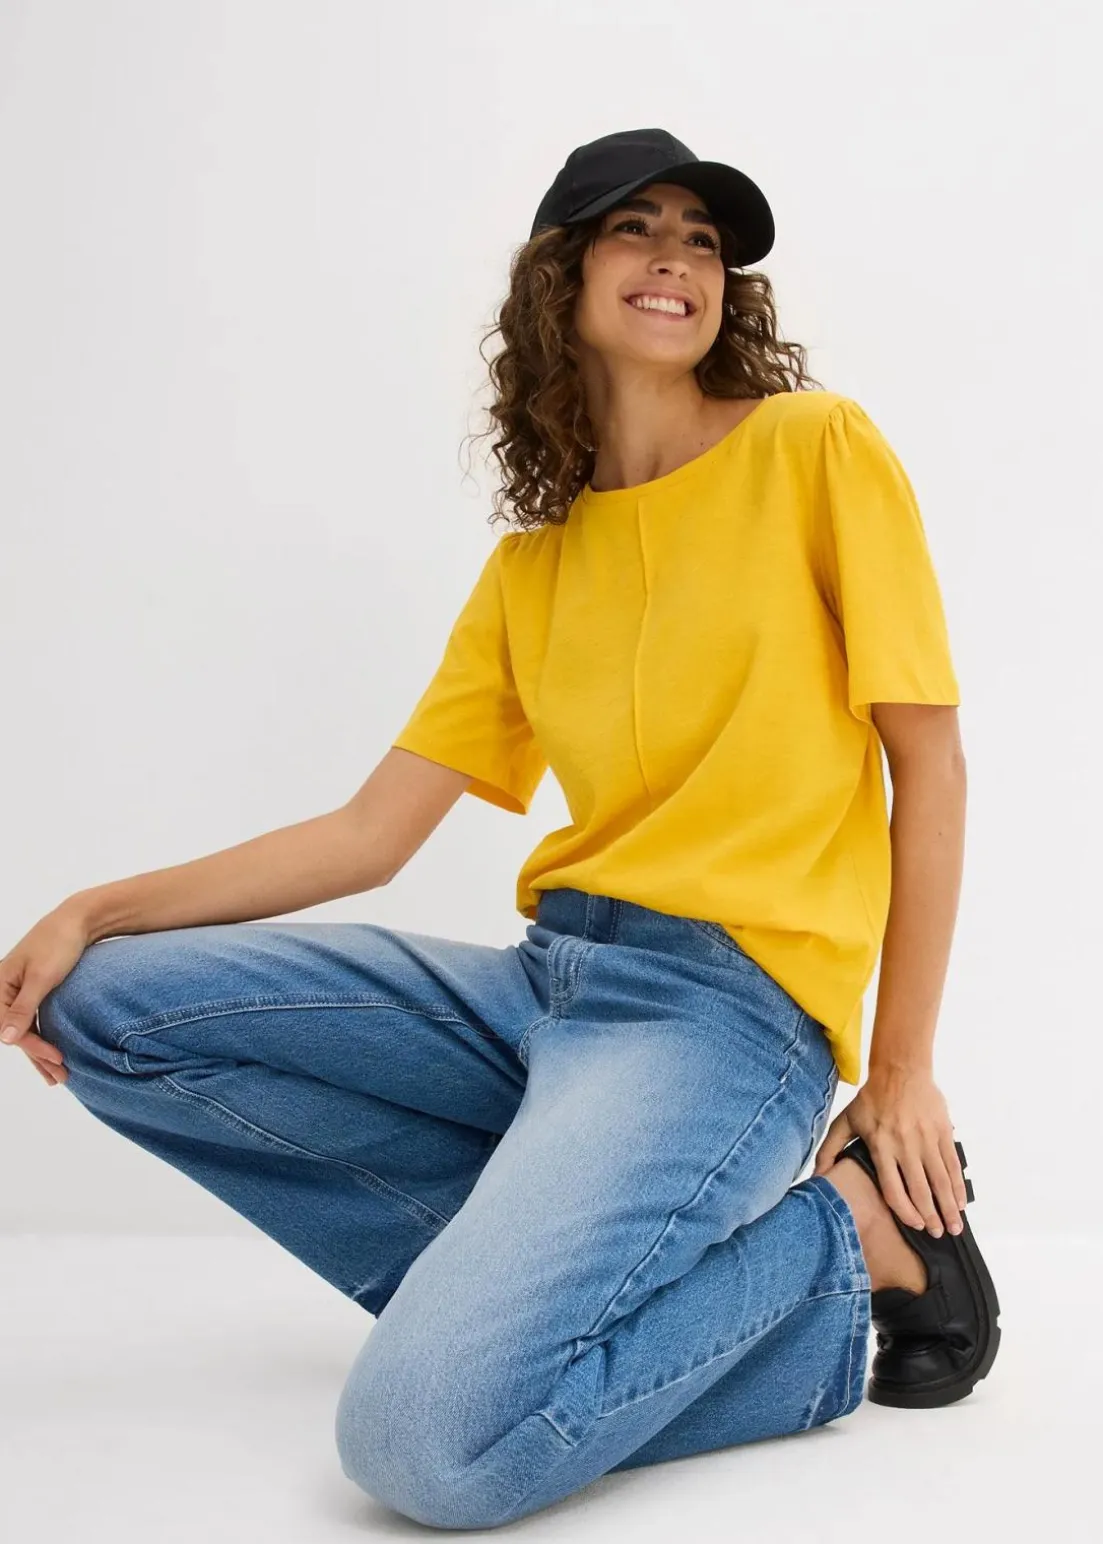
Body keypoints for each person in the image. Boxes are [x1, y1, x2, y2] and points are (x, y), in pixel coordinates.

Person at [1, 127, 1000, 1529]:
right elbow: (369, 832)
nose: (676, 257)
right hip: (547, 993)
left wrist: (899, 1072)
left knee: (427, 1449)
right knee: (106, 1007)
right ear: (561, 277)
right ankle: (548, 1308)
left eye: (704, 241)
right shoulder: (534, 566)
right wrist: (89, 910)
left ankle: (847, 1235)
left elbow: (928, 764)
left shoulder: (813, 448)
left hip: (722, 1018)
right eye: (636, 227)